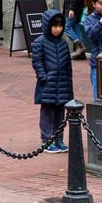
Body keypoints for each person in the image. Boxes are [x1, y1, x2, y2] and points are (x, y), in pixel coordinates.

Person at [31, 12, 74, 153]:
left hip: (62, 84)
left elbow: (68, 65)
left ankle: (59, 139)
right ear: (47, 26)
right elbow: (37, 62)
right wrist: (44, 77)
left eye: (60, 26)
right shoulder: (39, 42)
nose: (58, 29)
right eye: (55, 26)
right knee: (48, 113)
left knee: (60, 114)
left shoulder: (63, 43)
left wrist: (68, 83)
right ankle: (47, 140)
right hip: (47, 85)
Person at [82, 0, 102, 96]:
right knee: (98, 94)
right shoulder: (89, 19)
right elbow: (91, 35)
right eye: (101, 3)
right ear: (94, 4)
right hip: (97, 62)